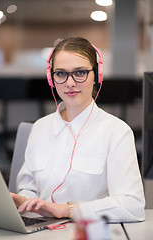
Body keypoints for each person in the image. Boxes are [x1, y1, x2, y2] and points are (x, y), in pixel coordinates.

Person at [11, 37, 145, 222]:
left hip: (89, 232)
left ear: (97, 75)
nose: (70, 83)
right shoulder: (39, 128)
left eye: (80, 72)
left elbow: (133, 206)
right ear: (52, 78)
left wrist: (68, 210)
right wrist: (25, 200)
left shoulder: (117, 131)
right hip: (40, 231)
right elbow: (28, 187)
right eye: (61, 74)